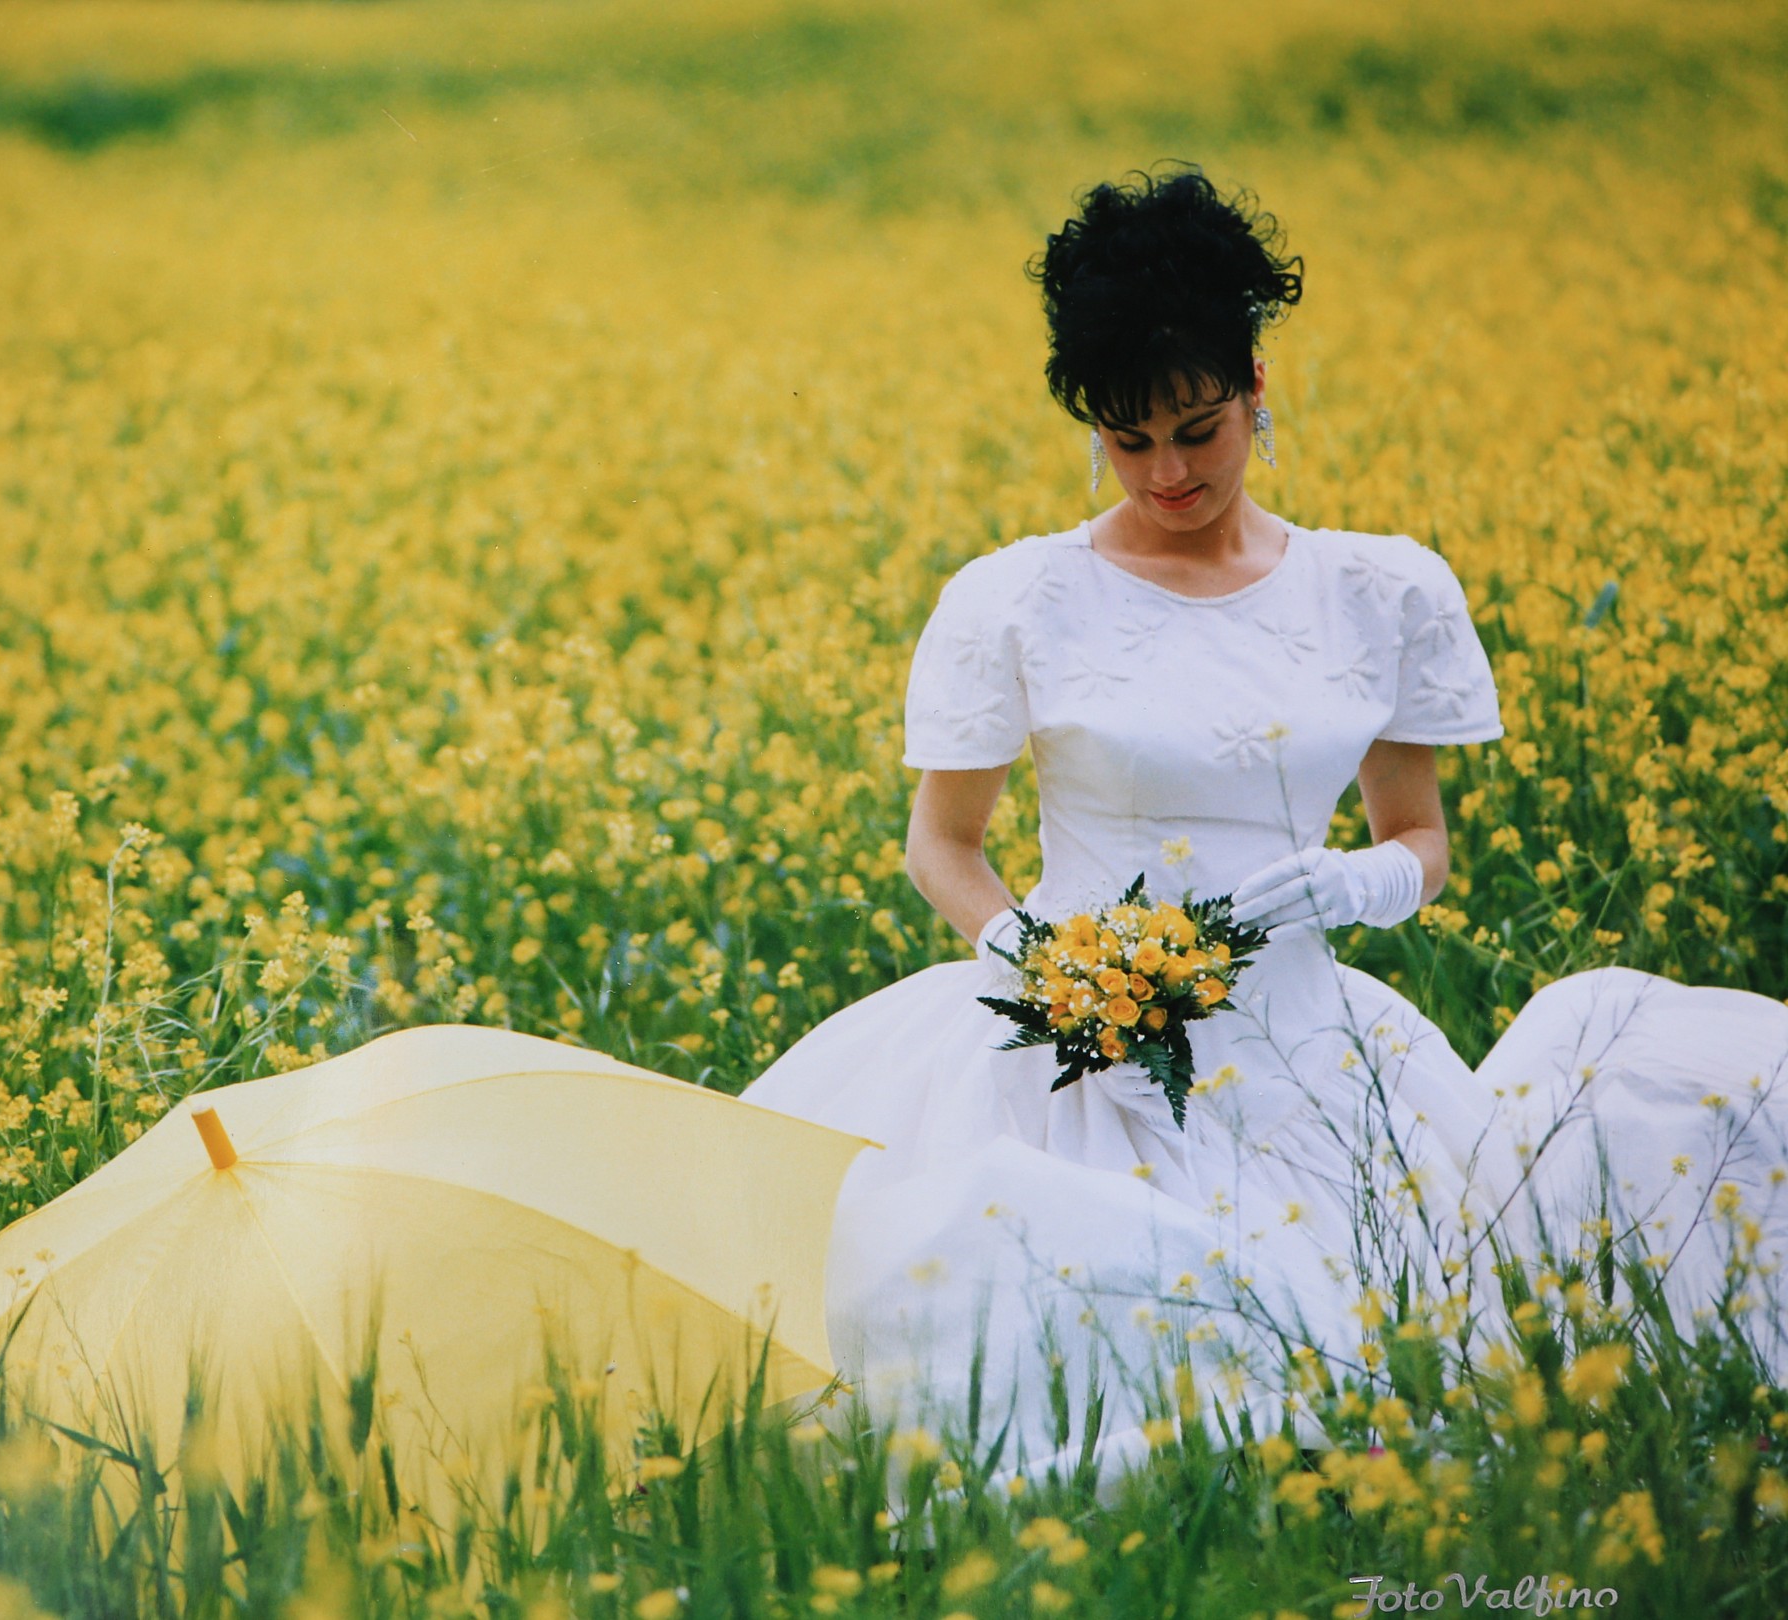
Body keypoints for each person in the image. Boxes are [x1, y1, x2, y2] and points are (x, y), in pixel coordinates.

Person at [733, 165, 1788, 1479]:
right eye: (1130, 440)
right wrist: (1036, 963)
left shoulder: (1379, 592)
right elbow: (939, 846)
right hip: (1074, 1048)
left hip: (1306, 1040)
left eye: (1199, 427)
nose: (1170, 471)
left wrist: (1355, 886)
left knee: (1410, 1343)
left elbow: (1421, 844)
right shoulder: (1018, 601)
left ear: (1256, 386)